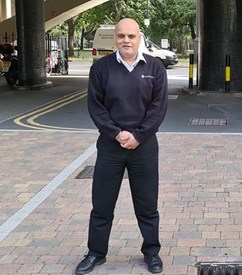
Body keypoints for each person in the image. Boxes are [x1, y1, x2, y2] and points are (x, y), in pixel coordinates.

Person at [75, 18, 168, 275]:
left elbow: (158, 109)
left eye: (131, 36)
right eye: (121, 36)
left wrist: (138, 136)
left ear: (140, 38)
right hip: (110, 146)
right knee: (102, 205)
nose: (126, 40)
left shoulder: (155, 67)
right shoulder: (101, 69)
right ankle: (96, 253)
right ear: (115, 39)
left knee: (147, 205)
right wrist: (117, 134)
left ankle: (151, 252)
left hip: (145, 146)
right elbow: (96, 108)